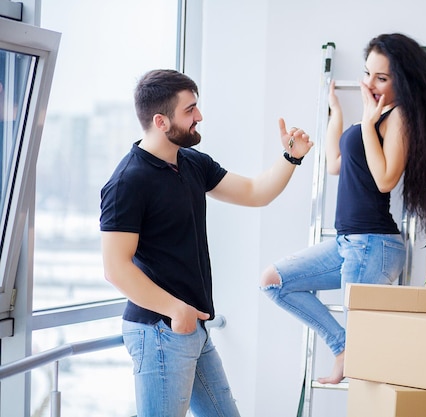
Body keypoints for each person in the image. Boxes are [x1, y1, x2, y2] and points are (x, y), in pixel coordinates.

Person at [100, 69, 312, 417]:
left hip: (191, 327)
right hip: (160, 331)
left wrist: (291, 156)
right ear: (161, 121)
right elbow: (115, 268)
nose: (199, 116)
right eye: (190, 110)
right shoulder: (128, 181)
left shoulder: (191, 162)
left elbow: (255, 192)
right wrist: (176, 311)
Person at [260, 33, 426, 385]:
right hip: (349, 243)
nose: (369, 84)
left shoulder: (398, 118)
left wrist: (366, 123)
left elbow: (385, 180)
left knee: (367, 370)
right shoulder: (373, 116)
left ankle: (351, 354)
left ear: (403, 81)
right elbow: (335, 163)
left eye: (381, 78)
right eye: (368, 74)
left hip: (373, 244)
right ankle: (343, 347)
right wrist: (336, 113)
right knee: (273, 282)